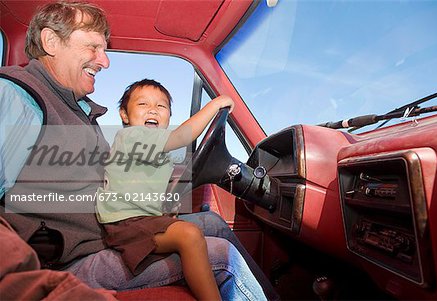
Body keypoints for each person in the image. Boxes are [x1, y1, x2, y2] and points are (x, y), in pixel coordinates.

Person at [0, 1, 278, 300]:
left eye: (104, 50)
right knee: (223, 258)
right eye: (93, 47)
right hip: (69, 263)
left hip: (106, 236)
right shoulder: (17, 96)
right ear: (51, 42)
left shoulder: (79, 110)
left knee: (211, 222)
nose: (104, 62)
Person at [96, 79, 234, 300]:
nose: (153, 109)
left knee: (213, 221)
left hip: (140, 218)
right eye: (143, 104)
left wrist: (163, 208)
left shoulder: (153, 148)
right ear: (124, 115)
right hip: (125, 223)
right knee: (189, 235)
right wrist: (215, 105)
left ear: (169, 115)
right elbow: (182, 136)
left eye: (161, 106)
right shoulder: (131, 137)